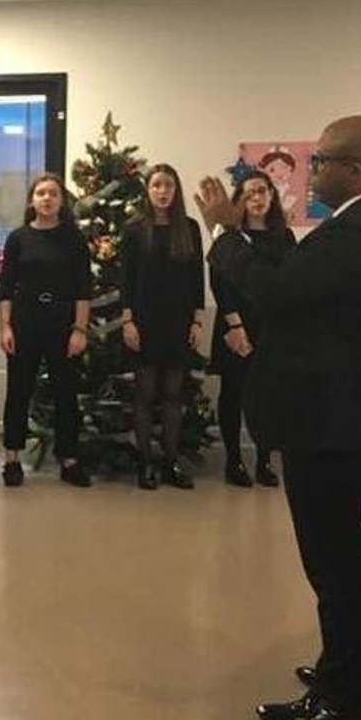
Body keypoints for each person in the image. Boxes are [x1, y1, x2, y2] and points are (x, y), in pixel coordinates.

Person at [197, 115, 361, 720]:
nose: (312, 171)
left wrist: (226, 232)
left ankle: (344, 697)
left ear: (357, 170)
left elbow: (277, 291)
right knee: (347, 546)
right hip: (340, 411)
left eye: (322, 161)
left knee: (331, 553)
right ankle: (354, 668)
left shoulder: (359, 232)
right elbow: (297, 285)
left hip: (332, 417)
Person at [0, 174, 93, 488]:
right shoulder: (18, 238)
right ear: (32, 200)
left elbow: (83, 289)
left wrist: (79, 329)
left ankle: (69, 460)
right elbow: (6, 289)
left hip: (63, 322)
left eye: (53, 193)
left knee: (66, 393)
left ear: (62, 201)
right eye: (40, 193)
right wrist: (5, 327)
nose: (47, 198)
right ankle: (11, 459)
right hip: (25, 320)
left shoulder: (74, 239)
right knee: (18, 391)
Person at [120, 165, 205, 491]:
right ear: (148, 190)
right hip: (143, 321)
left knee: (172, 394)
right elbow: (126, 280)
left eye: (168, 185)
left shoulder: (190, 228)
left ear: (176, 190)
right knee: (144, 394)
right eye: (156, 185)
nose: (162, 191)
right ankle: (145, 463)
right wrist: (128, 321)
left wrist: (198, 320)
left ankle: (170, 461)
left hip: (179, 321)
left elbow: (198, 279)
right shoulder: (134, 229)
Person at [208, 170, 294, 488]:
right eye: (249, 193)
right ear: (238, 200)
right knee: (234, 393)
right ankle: (234, 461)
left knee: (268, 394)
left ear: (272, 196)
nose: (256, 198)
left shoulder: (285, 237)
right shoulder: (229, 234)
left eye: (262, 191)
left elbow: (285, 285)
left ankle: (264, 460)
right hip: (235, 325)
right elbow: (219, 281)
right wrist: (235, 325)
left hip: (270, 327)